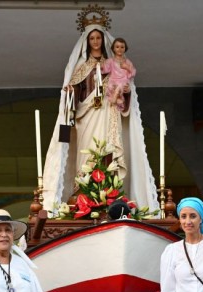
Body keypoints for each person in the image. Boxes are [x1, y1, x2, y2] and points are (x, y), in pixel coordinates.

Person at [41, 22, 158, 214]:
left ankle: (109, 189)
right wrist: (70, 92)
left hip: (108, 112)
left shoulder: (113, 65)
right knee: (87, 152)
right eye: (92, 38)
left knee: (108, 150)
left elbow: (123, 89)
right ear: (87, 42)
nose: (95, 41)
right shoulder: (81, 66)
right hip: (87, 116)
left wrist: (126, 91)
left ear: (103, 40)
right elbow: (73, 95)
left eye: (98, 38)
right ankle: (84, 191)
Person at [103, 37, 135, 111]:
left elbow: (133, 72)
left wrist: (127, 67)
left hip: (123, 81)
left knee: (120, 86)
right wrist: (101, 66)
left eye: (122, 47)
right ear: (113, 49)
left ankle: (115, 97)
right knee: (109, 86)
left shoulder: (127, 61)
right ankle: (118, 100)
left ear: (125, 48)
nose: (120, 49)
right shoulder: (111, 61)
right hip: (113, 80)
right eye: (117, 47)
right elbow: (105, 69)